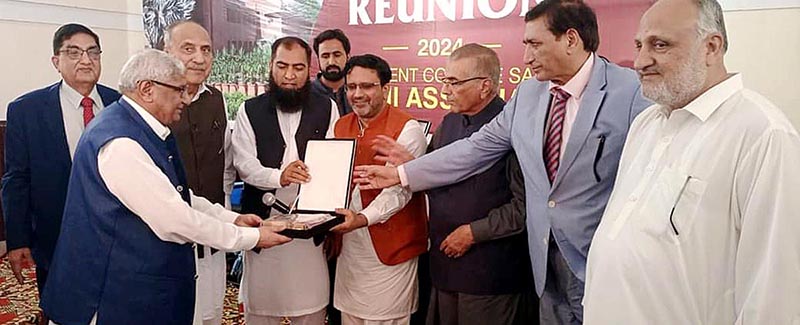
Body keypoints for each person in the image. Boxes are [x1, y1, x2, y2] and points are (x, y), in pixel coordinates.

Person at [351, 1, 651, 323]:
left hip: (598, 263)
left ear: (570, 39)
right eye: (524, 45)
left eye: (534, 44)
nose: (525, 58)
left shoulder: (634, 93)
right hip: (542, 267)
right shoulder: (528, 95)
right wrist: (403, 173)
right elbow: (475, 149)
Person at [582, 0, 800, 323]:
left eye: (660, 45)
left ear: (711, 47)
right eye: (639, 45)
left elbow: (774, 295)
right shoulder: (646, 124)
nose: (640, 61)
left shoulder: (762, 134)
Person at [39, 49, 291, 325]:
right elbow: (174, 220)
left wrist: (234, 218)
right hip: (108, 296)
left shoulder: (143, 128)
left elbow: (179, 195)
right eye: (179, 89)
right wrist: (251, 239)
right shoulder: (121, 144)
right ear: (147, 89)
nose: (185, 99)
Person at [371, 44, 536, 324]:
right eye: (444, 81)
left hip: (489, 274)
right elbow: (439, 180)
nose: (445, 90)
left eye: (454, 82)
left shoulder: (511, 128)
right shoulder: (448, 123)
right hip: (444, 268)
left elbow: (524, 207)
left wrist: (473, 232)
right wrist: (412, 164)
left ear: (485, 86)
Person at [2, 23, 120, 308]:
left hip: (118, 238)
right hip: (57, 238)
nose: (85, 60)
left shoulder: (120, 104)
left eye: (93, 52)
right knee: (64, 311)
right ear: (56, 61)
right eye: (74, 52)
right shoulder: (26, 111)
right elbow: (16, 180)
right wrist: (17, 239)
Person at [232, 37, 340, 325]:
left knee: (311, 309)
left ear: (309, 69)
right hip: (264, 226)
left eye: (298, 68)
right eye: (282, 66)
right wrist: (278, 176)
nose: (290, 75)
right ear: (270, 66)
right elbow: (244, 164)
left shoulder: (327, 108)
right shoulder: (249, 109)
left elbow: (332, 163)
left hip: (311, 228)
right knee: (261, 311)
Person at [330, 54, 428, 325]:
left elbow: (399, 192)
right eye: (351, 87)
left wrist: (361, 219)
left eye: (367, 86)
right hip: (349, 248)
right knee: (351, 319)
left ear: (386, 88)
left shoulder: (408, 129)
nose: (357, 94)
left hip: (391, 247)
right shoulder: (340, 125)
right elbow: (330, 178)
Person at [163, 20, 234, 325]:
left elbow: (225, 164)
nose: (199, 58)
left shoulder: (216, 99)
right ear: (166, 52)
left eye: (206, 50)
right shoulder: (153, 103)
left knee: (212, 313)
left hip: (213, 230)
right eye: (188, 49)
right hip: (169, 239)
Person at [311, 28, 352, 116]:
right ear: (318, 59)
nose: (331, 62)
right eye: (325, 56)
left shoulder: (359, 92)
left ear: (348, 57)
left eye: (337, 55)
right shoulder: (307, 94)